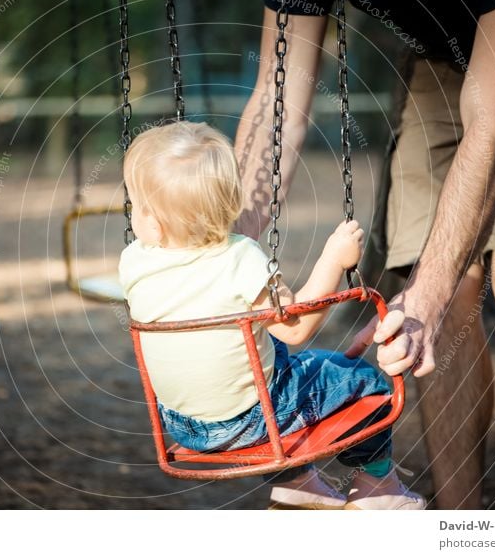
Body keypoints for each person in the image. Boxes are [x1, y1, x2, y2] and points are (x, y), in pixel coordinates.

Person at [235, 0, 495, 508]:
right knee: (431, 308)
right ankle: (457, 523)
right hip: (439, 63)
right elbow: (278, 98)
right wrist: (220, 258)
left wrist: (432, 288)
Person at [119, 121, 425, 510]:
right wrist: (334, 260)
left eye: (136, 204)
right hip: (251, 421)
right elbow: (298, 328)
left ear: (155, 224)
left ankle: (297, 485)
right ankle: (376, 487)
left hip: (181, 424)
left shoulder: (133, 262)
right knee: (358, 377)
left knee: (260, 351)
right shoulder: (240, 257)